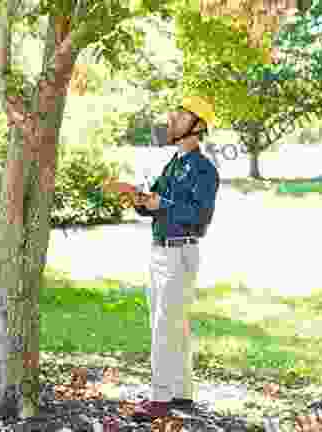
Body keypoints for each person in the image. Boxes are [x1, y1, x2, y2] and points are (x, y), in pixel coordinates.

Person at [132, 95, 220, 420]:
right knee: (176, 324)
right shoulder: (174, 163)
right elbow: (155, 199)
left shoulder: (204, 169)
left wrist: (161, 206)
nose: (171, 119)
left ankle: (159, 398)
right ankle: (182, 392)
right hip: (160, 250)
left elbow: (198, 217)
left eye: (180, 116)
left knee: (164, 325)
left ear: (197, 126)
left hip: (179, 250)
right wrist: (140, 199)